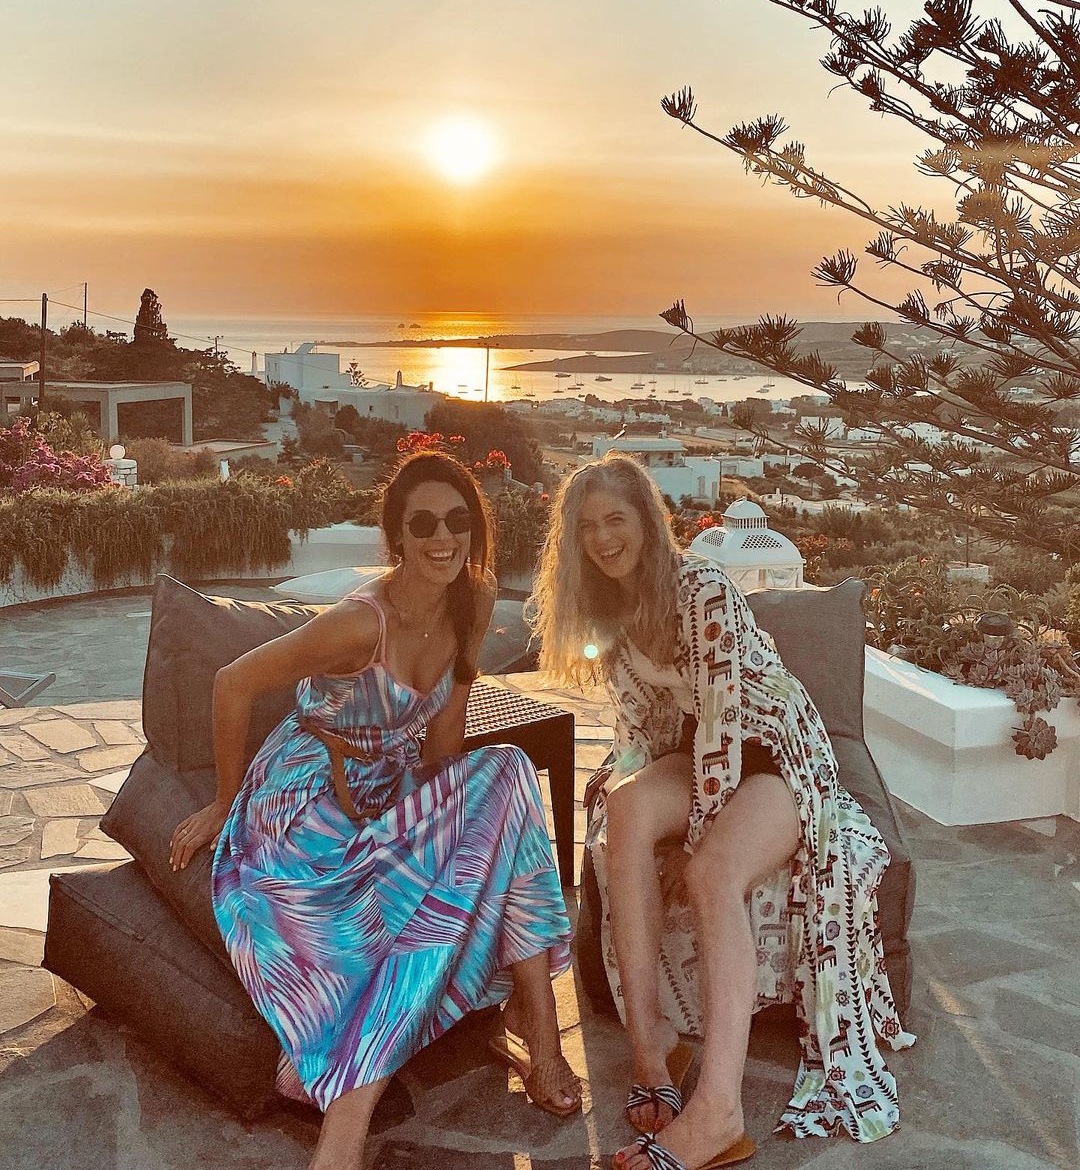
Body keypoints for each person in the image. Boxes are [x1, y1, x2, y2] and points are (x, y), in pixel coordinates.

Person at [169, 450, 580, 1170]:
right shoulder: (361, 624)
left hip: (386, 788)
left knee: (507, 776)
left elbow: (443, 743)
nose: (442, 537)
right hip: (304, 802)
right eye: (423, 524)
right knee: (431, 884)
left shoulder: (473, 600)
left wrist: (454, 829)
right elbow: (233, 683)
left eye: (457, 520)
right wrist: (224, 803)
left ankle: (536, 1028)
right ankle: (360, 1125)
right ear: (397, 537)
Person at [531, 454, 914, 1170]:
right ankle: (651, 1047)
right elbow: (645, 726)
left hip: (774, 752)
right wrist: (627, 778)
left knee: (711, 874)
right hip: (701, 748)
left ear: (648, 520)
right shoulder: (610, 611)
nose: (604, 538)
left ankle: (718, 1111)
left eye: (616, 519)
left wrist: (696, 838)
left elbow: (723, 727)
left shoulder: (702, 588)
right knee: (625, 810)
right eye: (586, 528)